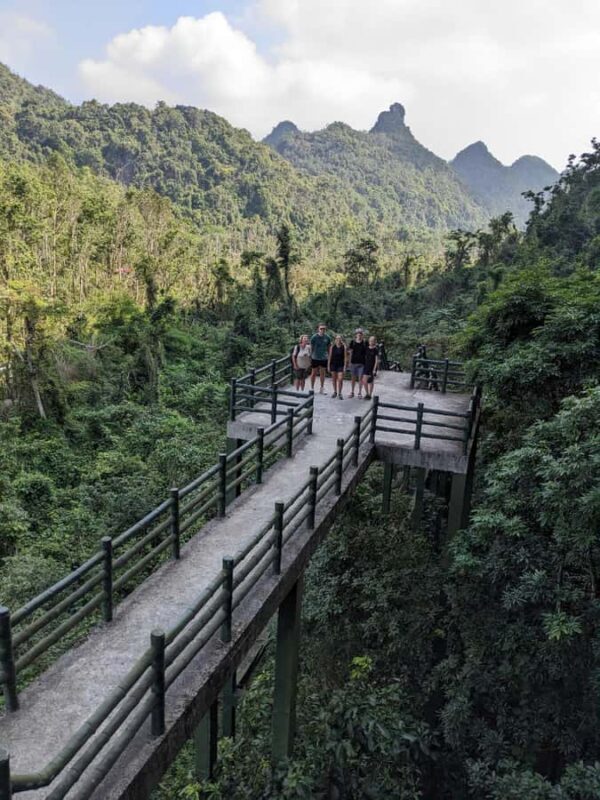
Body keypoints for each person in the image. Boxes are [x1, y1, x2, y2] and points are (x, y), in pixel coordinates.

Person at [310, 323, 331, 394]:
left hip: (324, 358)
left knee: (322, 373)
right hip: (315, 357)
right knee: (313, 373)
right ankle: (312, 388)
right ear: (318, 329)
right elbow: (311, 348)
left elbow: (329, 348)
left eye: (324, 328)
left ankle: (322, 388)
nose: (322, 330)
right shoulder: (314, 337)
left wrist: (329, 356)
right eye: (321, 328)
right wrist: (310, 357)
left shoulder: (327, 337)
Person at [347, 328, 367, 398]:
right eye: (358, 333)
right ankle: (352, 392)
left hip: (362, 363)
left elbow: (367, 353)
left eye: (361, 333)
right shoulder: (352, 342)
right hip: (353, 363)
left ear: (362, 335)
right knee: (353, 378)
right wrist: (349, 362)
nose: (359, 335)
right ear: (356, 335)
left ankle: (359, 393)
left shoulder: (365, 343)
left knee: (360, 378)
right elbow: (350, 353)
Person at [328, 334, 346, 399]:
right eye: (337, 338)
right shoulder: (332, 347)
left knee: (340, 379)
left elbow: (345, 357)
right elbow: (330, 357)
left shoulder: (343, 347)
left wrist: (345, 366)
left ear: (341, 339)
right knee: (334, 379)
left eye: (339, 338)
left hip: (340, 365)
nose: (338, 340)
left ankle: (340, 393)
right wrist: (328, 366)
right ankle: (335, 392)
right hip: (333, 364)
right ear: (335, 340)